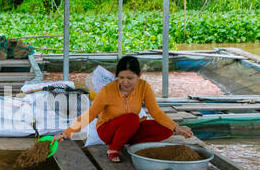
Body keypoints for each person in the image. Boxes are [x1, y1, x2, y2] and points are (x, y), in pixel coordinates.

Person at [52, 55, 193, 163]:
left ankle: (128, 141)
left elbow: (155, 112)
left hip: (131, 128)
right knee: (131, 118)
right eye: (121, 78)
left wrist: (176, 127)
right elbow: (89, 115)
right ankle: (113, 149)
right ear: (116, 76)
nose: (125, 82)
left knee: (166, 128)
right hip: (108, 131)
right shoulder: (108, 91)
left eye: (130, 78)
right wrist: (65, 134)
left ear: (139, 76)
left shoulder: (144, 87)